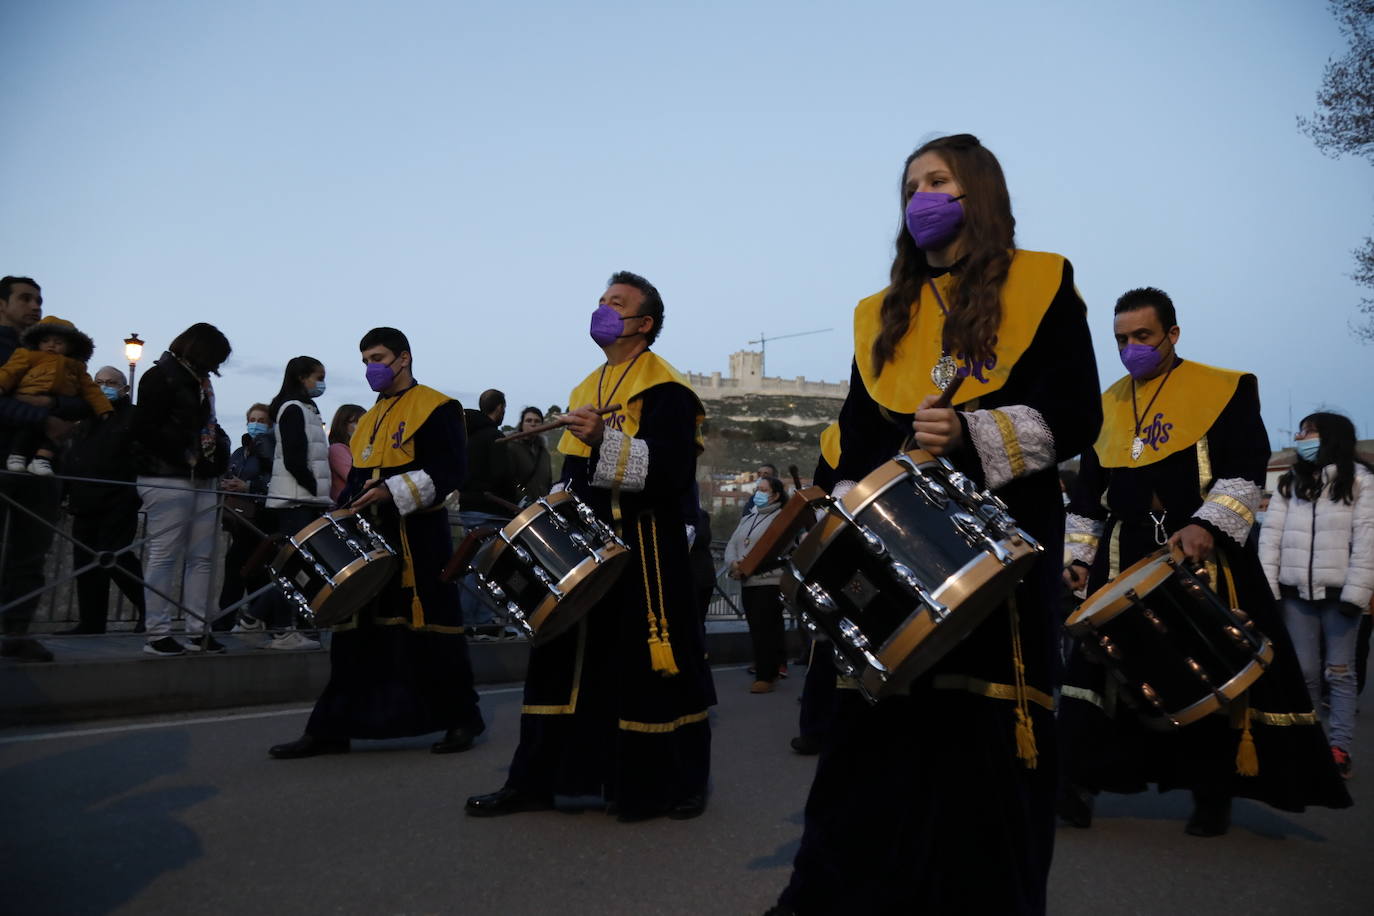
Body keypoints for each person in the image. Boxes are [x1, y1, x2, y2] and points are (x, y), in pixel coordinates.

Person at [769, 134, 1103, 916]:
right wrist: (850, 496)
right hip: (893, 550)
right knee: (870, 740)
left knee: (985, 738)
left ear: (976, 192)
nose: (922, 195)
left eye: (939, 180)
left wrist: (973, 434)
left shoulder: (1043, 282)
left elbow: (1078, 413)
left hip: (1004, 542)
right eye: (912, 185)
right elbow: (856, 433)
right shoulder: (878, 317)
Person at [1059, 288, 1351, 836]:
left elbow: (1243, 470)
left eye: (1142, 336)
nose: (1131, 349)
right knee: (1096, 676)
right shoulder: (1107, 404)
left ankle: (1212, 792)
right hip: (1121, 559)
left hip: (1199, 555)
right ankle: (1076, 785)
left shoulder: (1222, 390)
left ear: (1172, 334)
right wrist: (1078, 556)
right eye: (1121, 339)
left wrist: (1205, 524)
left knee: (1211, 671)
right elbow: (1086, 495)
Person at [466, 270, 715, 821]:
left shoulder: (667, 390)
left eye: (616, 303)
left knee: (654, 667)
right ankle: (535, 779)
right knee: (557, 656)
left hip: (647, 548)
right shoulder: (585, 389)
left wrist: (605, 439)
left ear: (644, 324)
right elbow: (575, 474)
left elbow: (673, 474)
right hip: (586, 547)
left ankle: (676, 784)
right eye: (600, 300)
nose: (602, 309)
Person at [268, 327, 484, 758]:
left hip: (420, 538)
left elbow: (450, 471)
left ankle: (461, 719)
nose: (372, 367)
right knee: (355, 636)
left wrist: (394, 491)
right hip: (370, 538)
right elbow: (361, 479)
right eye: (365, 359)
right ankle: (331, 728)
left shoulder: (439, 406)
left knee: (433, 630)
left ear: (404, 358)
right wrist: (343, 507)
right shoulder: (366, 419)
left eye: (379, 357)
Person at [1258, 411, 1374, 779]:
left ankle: (1338, 748)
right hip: (1295, 595)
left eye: (1308, 431)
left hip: (1341, 594)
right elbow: (1270, 538)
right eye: (1301, 431)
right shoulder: (1290, 483)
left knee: (1339, 673)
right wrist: (1270, 589)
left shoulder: (1360, 482)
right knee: (1304, 672)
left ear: (1331, 438)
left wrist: (1357, 593)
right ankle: (1309, 746)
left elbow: (1367, 541)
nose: (1301, 437)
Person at [130, 323, 233, 657]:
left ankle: (197, 629)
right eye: (215, 358)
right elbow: (146, 429)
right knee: (164, 554)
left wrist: (211, 457)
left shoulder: (195, 379)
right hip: (169, 476)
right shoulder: (160, 376)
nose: (216, 367)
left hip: (199, 477)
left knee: (201, 557)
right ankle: (157, 633)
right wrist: (188, 456)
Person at [0, 276, 73, 662]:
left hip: (40, 467)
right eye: (25, 299)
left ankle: (16, 631)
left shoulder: (51, 354)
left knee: (31, 553)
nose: (34, 307)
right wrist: (43, 420)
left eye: (39, 300)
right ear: (2, 304)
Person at [253, 356, 331, 651]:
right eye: (318, 376)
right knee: (297, 567)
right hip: (297, 499)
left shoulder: (304, 408)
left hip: (304, 498)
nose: (321, 383)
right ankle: (276, 626)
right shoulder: (293, 409)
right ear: (302, 377)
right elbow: (295, 455)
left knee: (301, 566)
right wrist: (312, 486)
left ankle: (266, 620)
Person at [61, 367, 146, 634]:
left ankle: (148, 610)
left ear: (124, 388)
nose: (104, 387)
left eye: (111, 382)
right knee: (85, 562)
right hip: (84, 498)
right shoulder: (85, 417)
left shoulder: (133, 417)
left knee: (117, 556)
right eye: (99, 382)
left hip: (119, 498)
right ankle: (91, 621)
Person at [724, 475, 789, 693]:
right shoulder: (749, 517)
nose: (757, 494)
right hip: (747, 580)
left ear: (775, 494)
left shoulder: (781, 518)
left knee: (765, 629)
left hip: (768, 581)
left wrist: (748, 562)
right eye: (756, 489)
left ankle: (766, 675)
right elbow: (733, 543)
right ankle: (766, 670)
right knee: (756, 628)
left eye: (763, 489)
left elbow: (770, 547)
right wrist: (734, 562)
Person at [216, 403, 275, 632]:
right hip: (240, 519)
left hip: (261, 517)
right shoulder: (241, 452)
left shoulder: (269, 449)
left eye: (262, 420)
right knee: (252, 571)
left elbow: (273, 481)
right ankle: (263, 620)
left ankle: (227, 621)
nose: (256, 424)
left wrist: (248, 485)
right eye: (253, 419)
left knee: (238, 565)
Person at [508, 406, 554, 504]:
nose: (533, 424)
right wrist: (522, 501)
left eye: (537, 421)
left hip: (542, 508)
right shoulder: (511, 448)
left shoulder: (544, 453)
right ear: (522, 424)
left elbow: (548, 482)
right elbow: (508, 480)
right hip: (519, 509)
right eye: (529, 421)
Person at [328, 403, 366, 503]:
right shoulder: (337, 449)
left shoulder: (357, 450)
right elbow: (356, 478)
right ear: (343, 425)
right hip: (344, 509)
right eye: (357, 422)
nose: (363, 427)